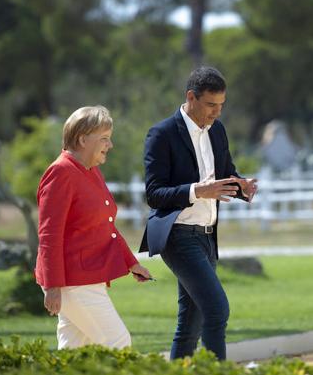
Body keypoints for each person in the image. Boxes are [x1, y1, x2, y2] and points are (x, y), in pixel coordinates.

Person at [140, 66, 257, 360]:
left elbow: (224, 174)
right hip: (177, 236)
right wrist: (197, 191)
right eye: (210, 105)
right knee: (217, 310)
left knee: (190, 324)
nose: (216, 112)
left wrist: (242, 186)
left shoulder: (217, 130)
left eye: (221, 106)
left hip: (207, 238)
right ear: (191, 97)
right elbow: (154, 194)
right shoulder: (162, 134)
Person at [35, 105, 152, 349]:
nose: (110, 145)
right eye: (105, 139)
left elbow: (105, 225)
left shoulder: (91, 170)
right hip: (74, 282)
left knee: (76, 353)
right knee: (119, 343)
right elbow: (49, 235)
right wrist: (52, 286)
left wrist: (132, 262)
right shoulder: (61, 172)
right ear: (82, 139)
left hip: (86, 279)